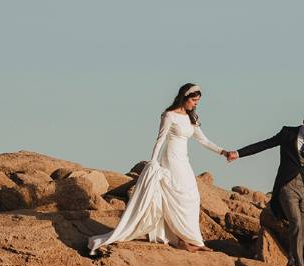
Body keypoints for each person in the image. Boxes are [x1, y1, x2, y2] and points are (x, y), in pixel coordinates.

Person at [87, 83, 232, 255]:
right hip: (170, 160)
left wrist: (222, 151)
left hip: (183, 160)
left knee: (192, 197)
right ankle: (184, 241)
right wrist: (153, 162)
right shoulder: (169, 115)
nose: (195, 104)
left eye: (197, 101)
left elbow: (204, 140)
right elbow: (160, 140)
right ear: (184, 98)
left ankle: (193, 239)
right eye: (193, 100)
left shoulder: (190, 118)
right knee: (178, 197)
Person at [228, 109, 304, 266]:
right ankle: (298, 264)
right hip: (287, 186)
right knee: (295, 222)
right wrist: (238, 153)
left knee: (303, 228)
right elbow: (265, 144)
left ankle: (293, 261)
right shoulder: (288, 133)